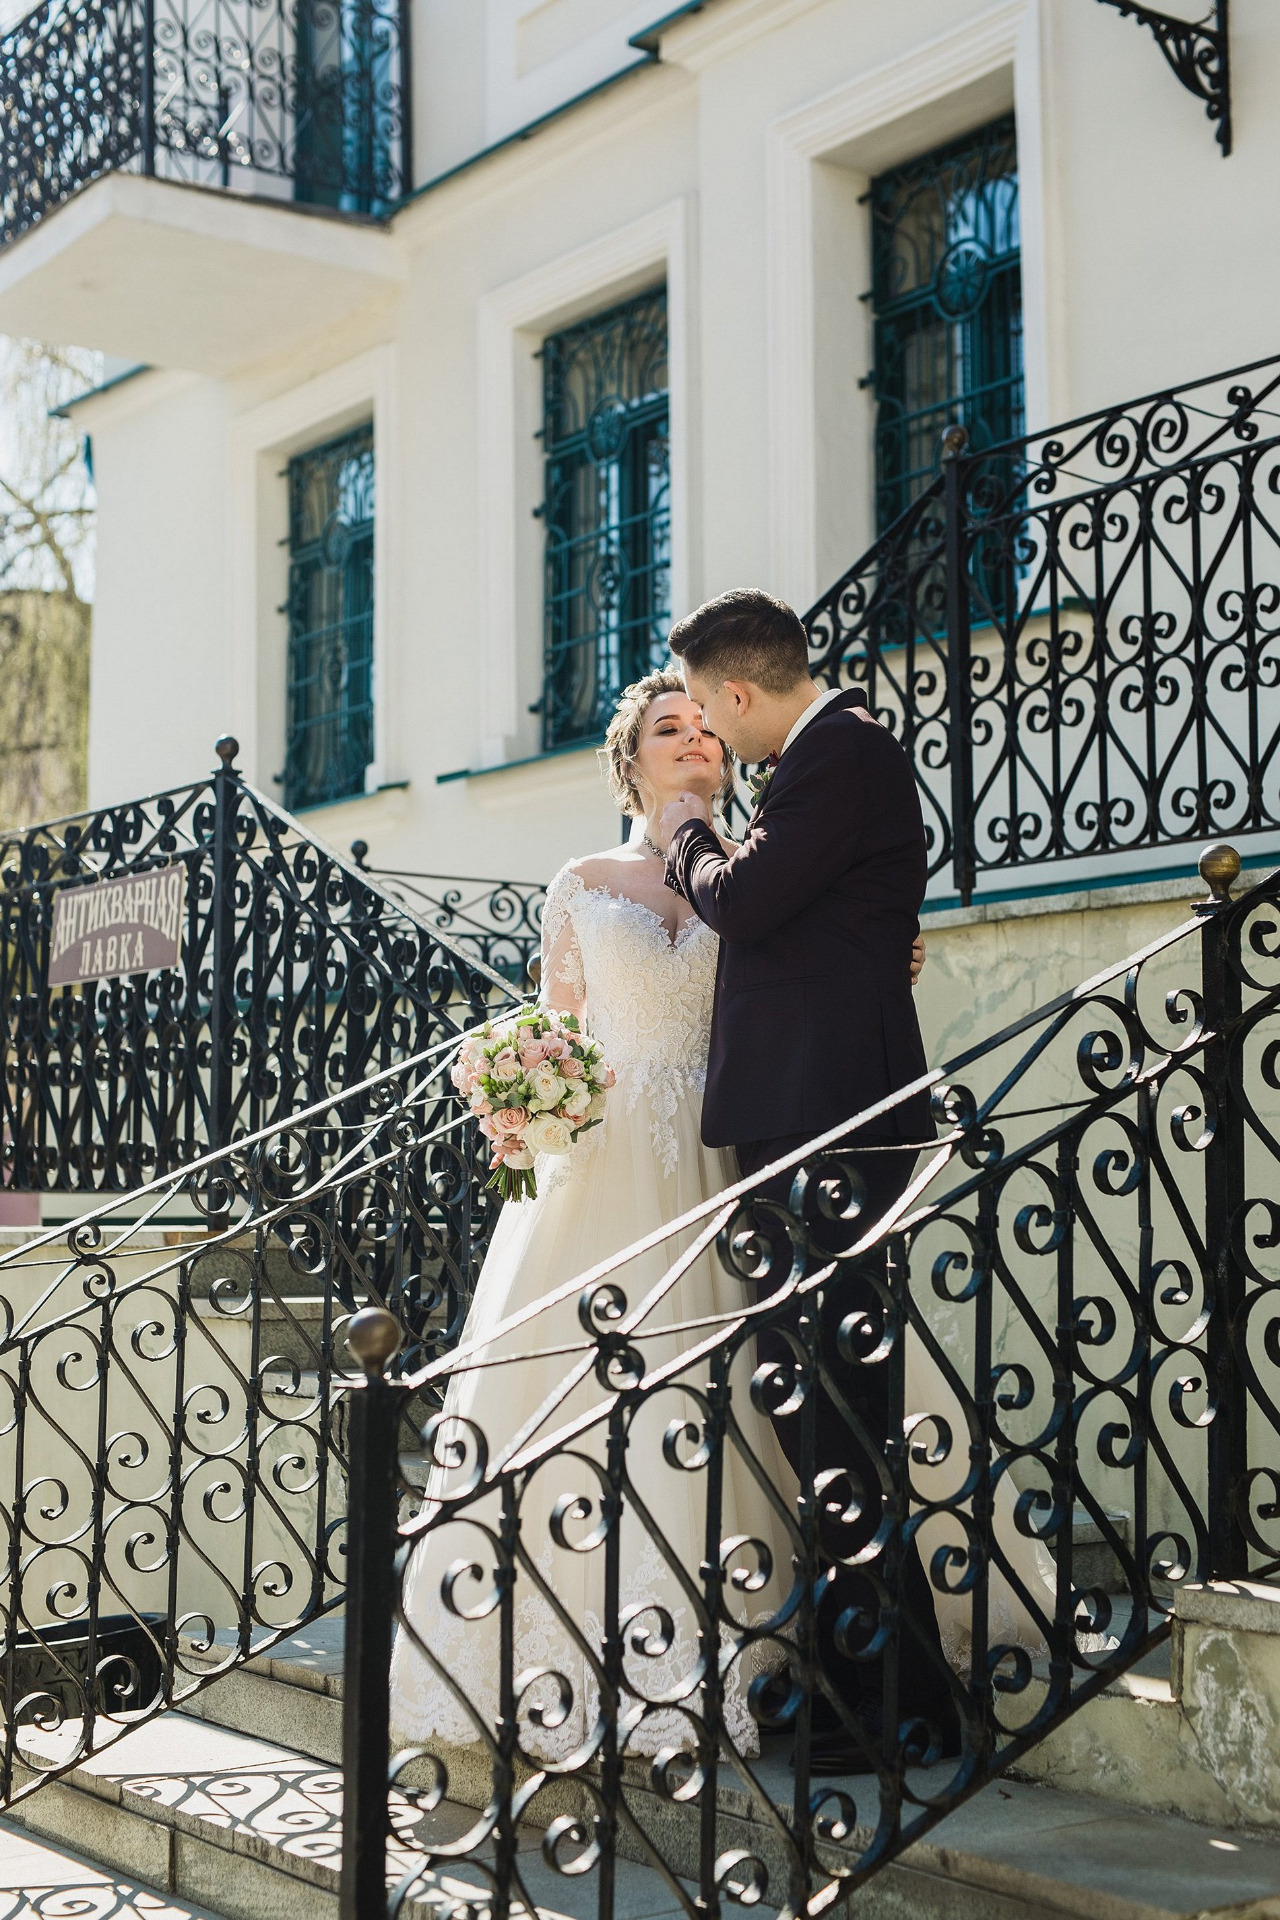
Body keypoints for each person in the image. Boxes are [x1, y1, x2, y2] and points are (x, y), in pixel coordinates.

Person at [391, 670, 801, 1765]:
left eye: (705, 731)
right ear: (630, 762)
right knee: (585, 1377)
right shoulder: (581, 880)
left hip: (716, 1155)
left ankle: (724, 1646)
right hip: (606, 1162)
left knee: (718, 1382)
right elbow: (557, 1030)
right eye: (668, 730)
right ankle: (558, 1655)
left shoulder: (753, 873)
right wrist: (524, 1096)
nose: (693, 744)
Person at [660, 587, 963, 1772]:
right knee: (817, 1412)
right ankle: (865, 1683)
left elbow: (741, 900)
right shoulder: (830, 763)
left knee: (834, 1414)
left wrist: (688, 828)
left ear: (735, 694)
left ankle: (899, 1703)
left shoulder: (838, 756)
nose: (708, 741)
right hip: (806, 1123)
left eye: (704, 713)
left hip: (827, 1130)